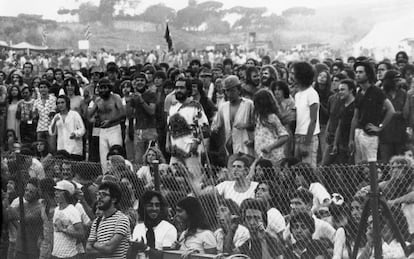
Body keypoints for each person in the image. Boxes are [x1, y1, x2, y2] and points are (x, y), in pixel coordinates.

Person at [166, 78, 210, 189]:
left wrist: (195, 143)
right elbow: (169, 127)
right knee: (172, 182)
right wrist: (167, 142)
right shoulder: (173, 107)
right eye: (176, 88)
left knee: (194, 184)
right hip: (175, 153)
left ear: (188, 90)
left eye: (182, 88)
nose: (178, 90)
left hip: (191, 152)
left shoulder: (195, 106)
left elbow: (205, 129)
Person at [349, 61, 395, 163]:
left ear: (368, 74)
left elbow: (391, 110)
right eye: (356, 72)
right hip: (358, 132)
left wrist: (380, 127)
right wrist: (351, 139)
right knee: (359, 167)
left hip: (370, 135)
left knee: (371, 166)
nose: (358, 74)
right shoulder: (359, 92)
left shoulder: (376, 91)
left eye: (361, 72)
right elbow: (355, 117)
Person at [88, 78, 125, 172]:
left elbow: (122, 113)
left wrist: (110, 121)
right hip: (102, 131)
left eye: (105, 87)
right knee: (104, 160)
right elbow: (88, 116)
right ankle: (106, 178)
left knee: (116, 155)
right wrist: (94, 119)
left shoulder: (116, 98)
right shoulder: (97, 100)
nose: (103, 90)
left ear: (109, 88)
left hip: (114, 129)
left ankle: (119, 177)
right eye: (101, 88)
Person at [212, 75, 255, 157]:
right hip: (229, 147)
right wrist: (215, 129)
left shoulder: (249, 104)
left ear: (239, 90)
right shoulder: (223, 106)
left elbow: (256, 124)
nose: (229, 94)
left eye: (232, 91)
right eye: (227, 91)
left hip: (245, 146)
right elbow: (218, 125)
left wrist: (246, 125)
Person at [86, 181, 131, 258]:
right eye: (98, 194)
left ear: (113, 199)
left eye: (103, 195)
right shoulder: (97, 221)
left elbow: (109, 248)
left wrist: (95, 244)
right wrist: (104, 250)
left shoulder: (122, 219)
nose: (99, 198)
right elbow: (88, 250)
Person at [4, 177, 43, 259]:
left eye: (31, 192)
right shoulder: (24, 205)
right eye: (26, 190)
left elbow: (24, 219)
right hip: (19, 247)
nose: (27, 193)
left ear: (37, 194)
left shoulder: (39, 208)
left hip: (32, 250)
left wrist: (7, 201)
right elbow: (8, 215)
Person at [131, 190, 178, 259]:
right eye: (150, 205)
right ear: (143, 207)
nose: (154, 208)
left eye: (157, 205)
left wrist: (145, 248)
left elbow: (166, 256)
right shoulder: (138, 228)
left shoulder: (169, 229)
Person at [292, 62, 320, 167]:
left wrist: (307, 142)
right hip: (298, 135)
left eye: (293, 73)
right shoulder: (298, 94)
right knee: (298, 170)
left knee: (309, 170)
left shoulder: (312, 94)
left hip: (309, 136)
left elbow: (313, 120)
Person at [128, 72, 158, 164]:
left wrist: (141, 100)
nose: (139, 82)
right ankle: (139, 178)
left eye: (142, 80)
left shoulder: (151, 94)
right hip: (138, 131)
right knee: (138, 159)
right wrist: (129, 100)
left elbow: (151, 111)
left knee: (152, 157)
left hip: (150, 130)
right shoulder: (133, 96)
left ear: (146, 82)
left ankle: (153, 177)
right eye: (137, 81)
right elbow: (129, 114)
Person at [379, 70, 407, 163]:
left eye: (399, 80)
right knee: (386, 163)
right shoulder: (381, 94)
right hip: (385, 133)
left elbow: (406, 113)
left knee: (401, 164)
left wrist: (390, 112)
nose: (399, 82)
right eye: (396, 80)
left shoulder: (403, 93)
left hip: (400, 134)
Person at [52, 180, 85, 259]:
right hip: (55, 254)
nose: (56, 193)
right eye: (55, 190)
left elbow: (81, 233)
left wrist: (63, 229)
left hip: (69, 255)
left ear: (66, 194)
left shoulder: (72, 210)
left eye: (59, 191)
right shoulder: (56, 209)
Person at [253, 89, 289, 163]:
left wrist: (270, 147)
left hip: (274, 158)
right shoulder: (259, 118)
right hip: (262, 157)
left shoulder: (272, 117)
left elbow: (284, 136)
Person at [49, 95, 86, 160]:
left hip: (74, 149)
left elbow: (82, 129)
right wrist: (54, 121)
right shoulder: (56, 116)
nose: (60, 105)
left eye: (62, 102)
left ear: (67, 103)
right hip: (61, 149)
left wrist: (75, 134)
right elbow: (52, 132)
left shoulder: (74, 114)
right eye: (58, 103)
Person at [332, 80, 356, 164]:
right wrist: (335, 143)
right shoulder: (341, 105)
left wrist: (351, 139)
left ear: (351, 90)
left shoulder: (356, 105)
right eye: (339, 90)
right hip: (342, 142)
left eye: (343, 90)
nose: (340, 92)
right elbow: (339, 125)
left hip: (353, 141)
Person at [33, 80, 56, 149]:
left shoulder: (53, 99)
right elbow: (34, 115)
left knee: (51, 148)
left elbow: (53, 113)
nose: (43, 89)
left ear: (48, 89)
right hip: (40, 128)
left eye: (45, 87)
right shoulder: (36, 101)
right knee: (40, 149)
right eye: (41, 87)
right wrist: (35, 114)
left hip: (51, 128)